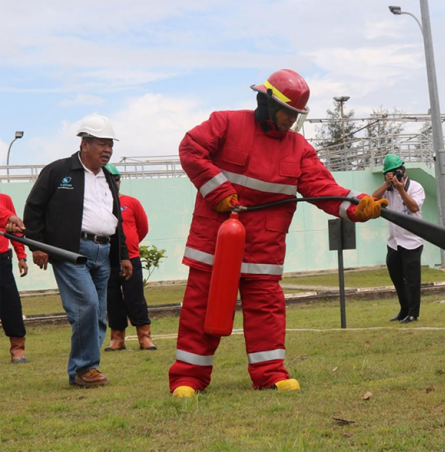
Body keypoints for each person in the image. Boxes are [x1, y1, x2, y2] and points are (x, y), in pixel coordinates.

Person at [169, 69, 387, 398]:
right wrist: (219, 192)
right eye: (288, 113)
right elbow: (191, 149)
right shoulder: (226, 123)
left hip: (263, 248)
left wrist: (357, 207)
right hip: (215, 239)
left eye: (296, 116)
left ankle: (270, 373)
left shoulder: (299, 149)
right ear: (267, 103)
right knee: (200, 308)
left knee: (267, 311)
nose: (291, 121)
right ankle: (187, 379)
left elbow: (323, 189)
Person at [24, 115, 133, 387]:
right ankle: (86, 369)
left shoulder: (108, 177)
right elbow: (34, 208)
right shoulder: (58, 171)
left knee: (96, 314)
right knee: (87, 306)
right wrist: (36, 246)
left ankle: (80, 371)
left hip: (103, 252)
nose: (107, 150)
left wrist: (123, 255)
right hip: (71, 252)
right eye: (101, 144)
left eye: (110, 145)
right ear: (85, 144)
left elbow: (114, 220)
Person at [103, 164, 156, 352]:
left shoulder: (132, 202)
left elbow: (142, 228)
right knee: (112, 299)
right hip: (106, 260)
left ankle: (145, 337)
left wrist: (128, 247)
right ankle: (117, 339)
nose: (114, 183)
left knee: (136, 298)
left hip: (131, 258)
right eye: (109, 179)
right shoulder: (99, 204)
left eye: (116, 179)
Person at [372, 154, 426, 324]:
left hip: (412, 241)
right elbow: (372, 199)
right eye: (389, 173)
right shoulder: (388, 190)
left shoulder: (415, 187)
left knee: (412, 280)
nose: (394, 176)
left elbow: (413, 207)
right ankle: (404, 310)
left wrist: (401, 189)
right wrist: (387, 184)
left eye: (395, 173)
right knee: (396, 277)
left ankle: (413, 313)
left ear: (403, 170)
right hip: (394, 242)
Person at [0, 193, 29, 363]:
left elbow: (15, 231)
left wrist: (21, 256)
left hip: (1, 259)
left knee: (10, 303)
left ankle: (17, 347)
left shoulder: (4, 199)